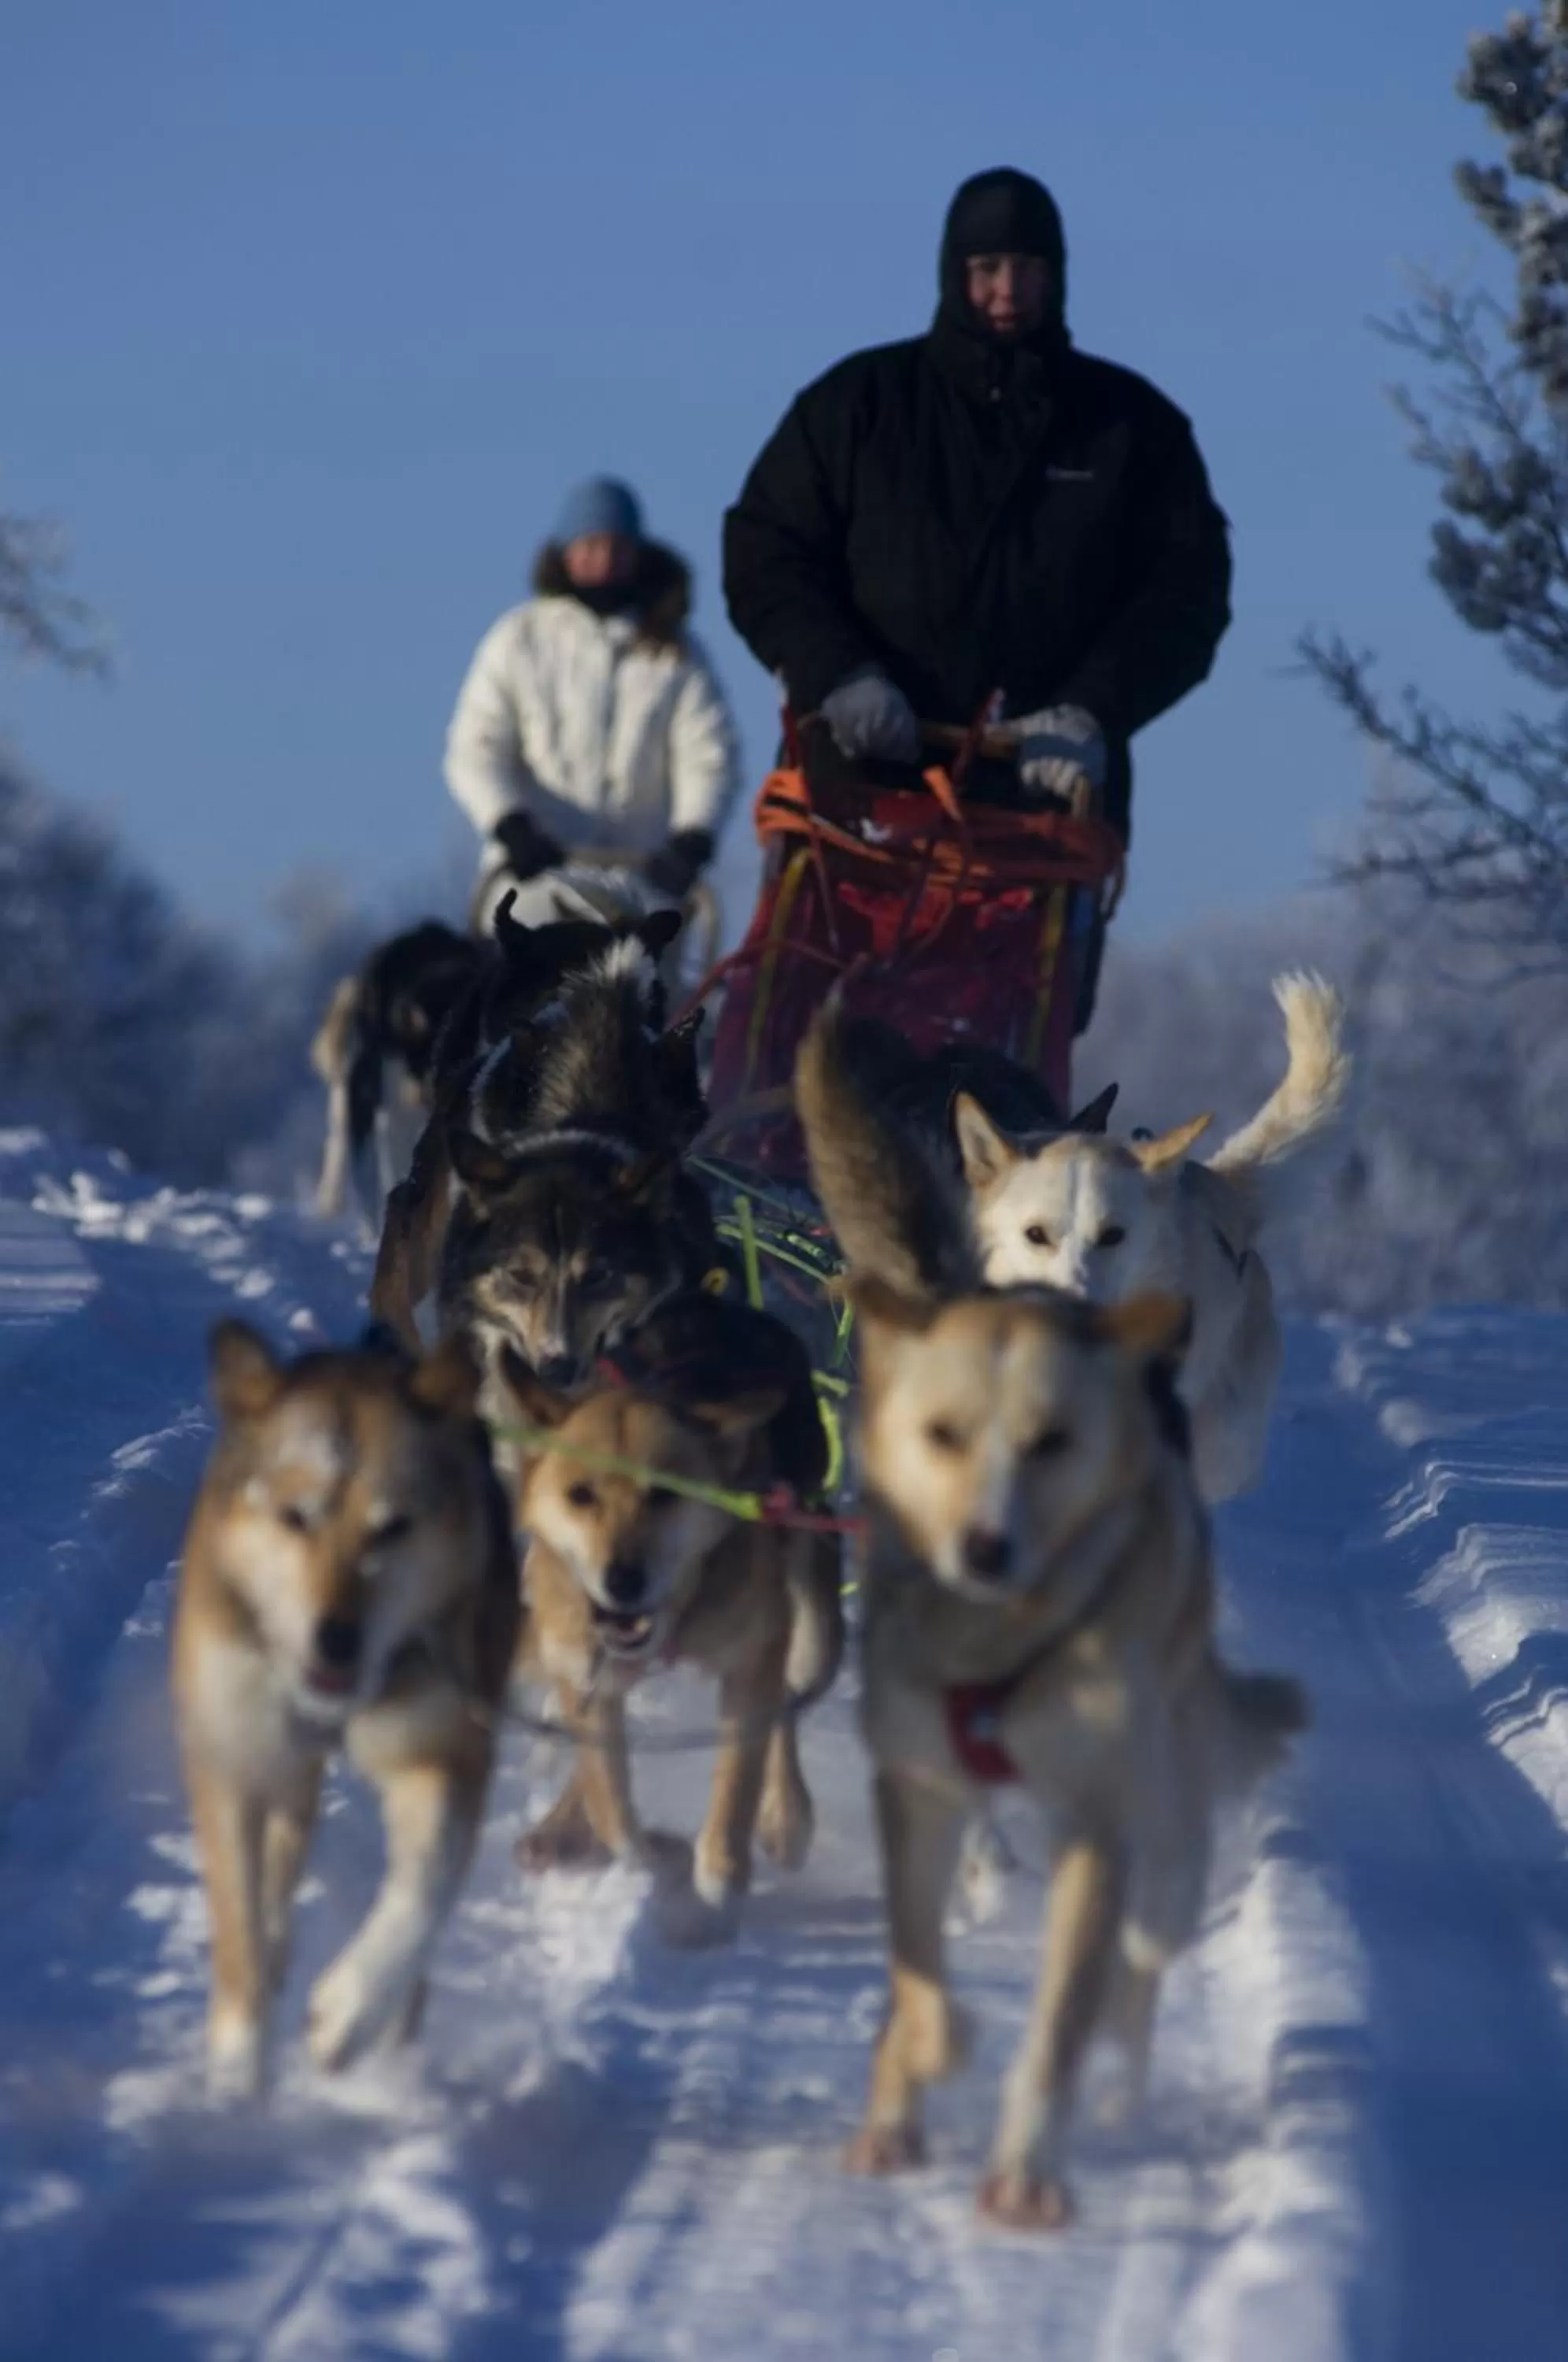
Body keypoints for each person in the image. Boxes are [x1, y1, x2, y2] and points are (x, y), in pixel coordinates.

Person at [723, 168, 1232, 849]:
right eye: (987, 268)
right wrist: (838, 674)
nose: (1008, 292)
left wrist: (1092, 712)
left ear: (1057, 276)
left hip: (1045, 807)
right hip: (860, 793)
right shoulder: (857, 406)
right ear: (953, 272)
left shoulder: (1132, 427)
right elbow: (767, 552)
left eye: (1029, 268)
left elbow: (1186, 595)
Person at [446, 476, 741, 931]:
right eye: (590, 546)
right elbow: (476, 748)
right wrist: (510, 825)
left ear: (637, 555)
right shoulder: (520, 640)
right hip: (532, 886)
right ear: (565, 552)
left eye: (616, 548)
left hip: (639, 887)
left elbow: (708, 755)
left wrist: (692, 839)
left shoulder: (674, 653)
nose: (603, 561)